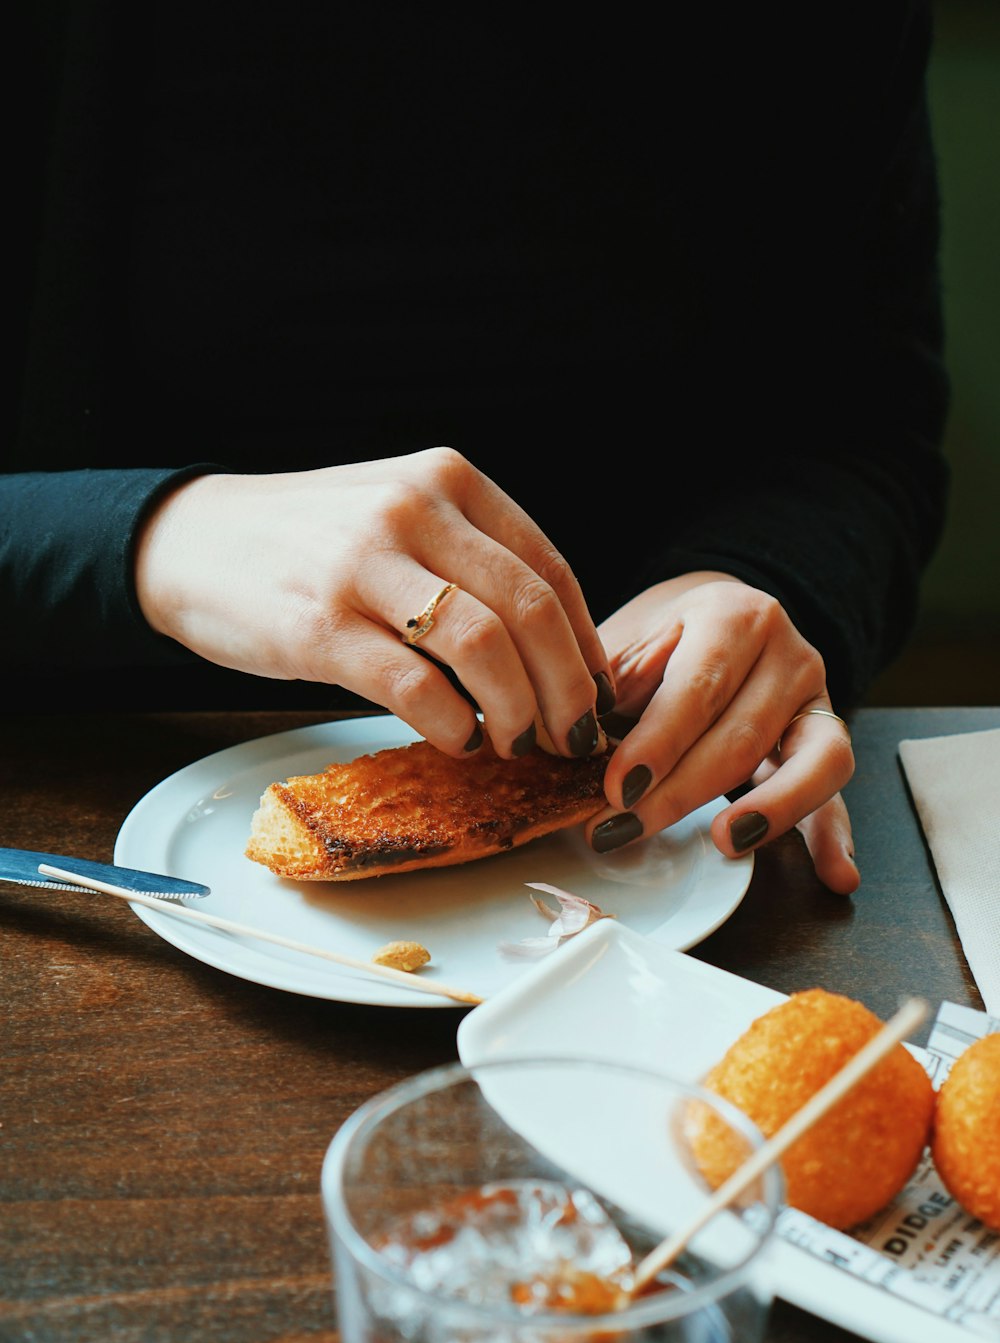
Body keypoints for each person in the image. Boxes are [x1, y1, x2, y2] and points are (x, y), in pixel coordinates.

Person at [2, 3, 948, 897]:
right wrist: (146, 542)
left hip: (652, 849)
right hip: (89, 804)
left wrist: (742, 582)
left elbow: (866, 430)